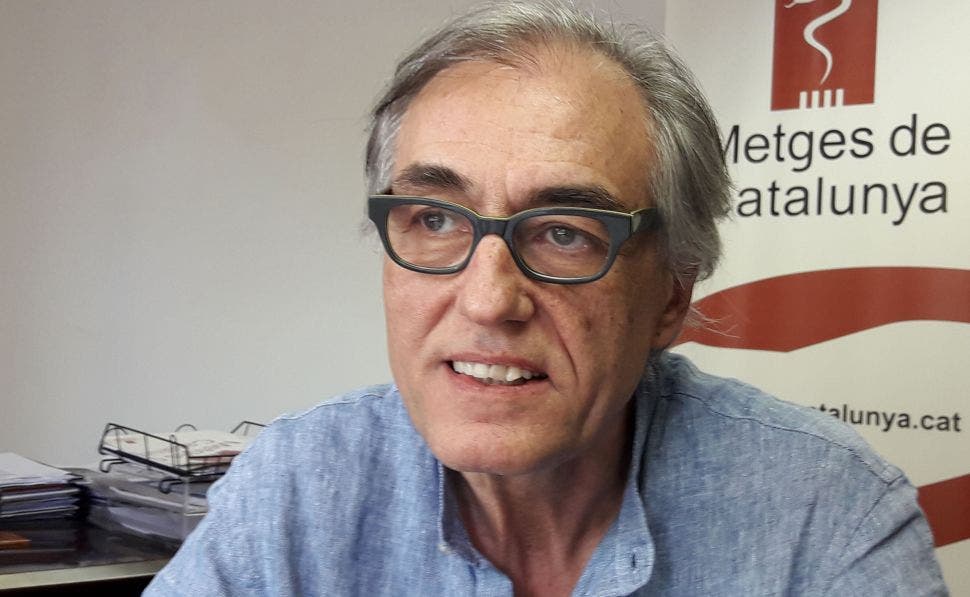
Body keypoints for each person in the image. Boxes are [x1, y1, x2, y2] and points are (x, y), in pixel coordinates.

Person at [145, 2, 947, 595]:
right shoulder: (296, 489)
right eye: (434, 219)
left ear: (671, 295)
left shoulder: (826, 516)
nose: (488, 300)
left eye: (565, 232)